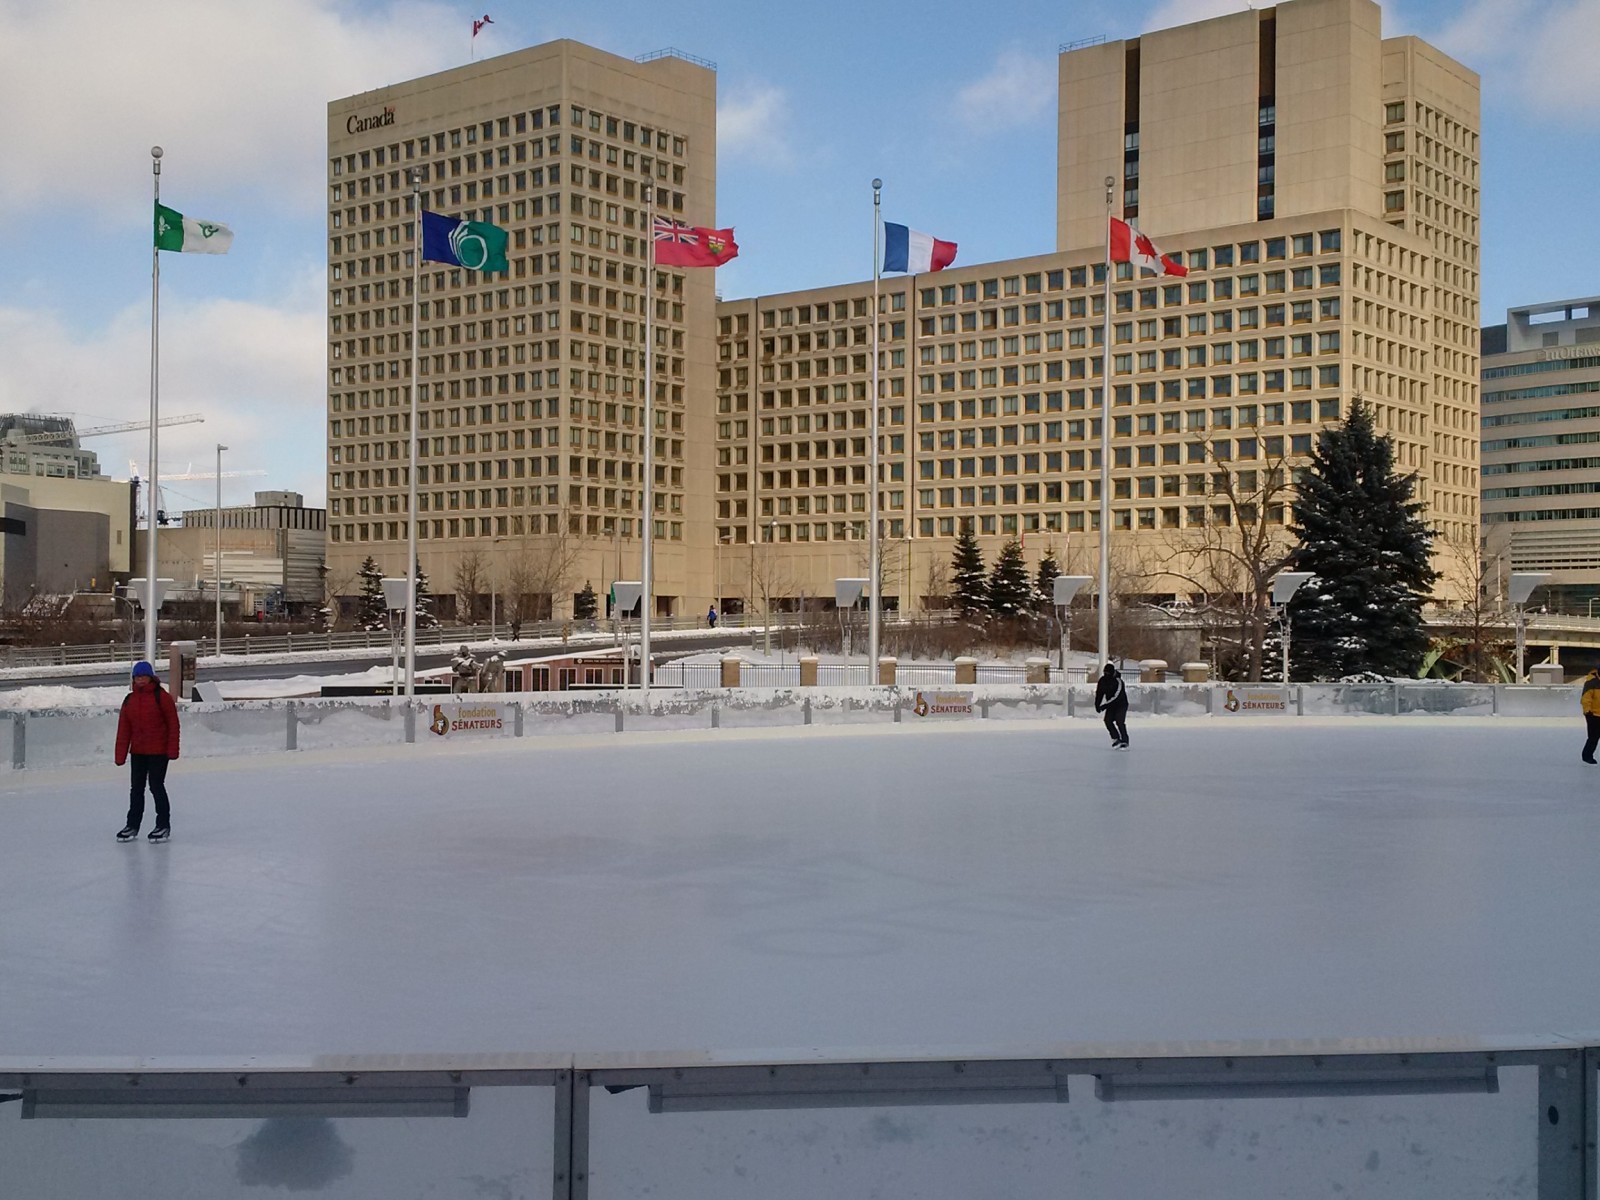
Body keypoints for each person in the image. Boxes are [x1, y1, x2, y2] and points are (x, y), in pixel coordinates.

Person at [114, 661, 181, 842]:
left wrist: (172, 749)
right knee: (136, 789)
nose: (140, 680)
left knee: (156, 786)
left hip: (158, 751)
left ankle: (163, 825)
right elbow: (124, 729)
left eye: (143, 676)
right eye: (137, 677)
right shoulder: (129, 700)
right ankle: (132, 825)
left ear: (151, 677)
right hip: (138, 752)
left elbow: (173, 724)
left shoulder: (162, 697)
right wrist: (120, 755)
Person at [1094, 662, 1129, 749]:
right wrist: (1097, 704)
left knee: (1119, 721)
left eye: (1108, 673)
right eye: (1105, 673)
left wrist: (1104, 706)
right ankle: (1116, 738)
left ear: (1112, 672)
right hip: (1111, 705)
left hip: (1121, 704)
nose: (1106, 674)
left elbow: (1116, 696)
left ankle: (1125, 740)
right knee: (1107, 720)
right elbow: (1099, 693)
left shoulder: (1119, 681)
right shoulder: (1102, 681)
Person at [1582, 667, 1599, 765]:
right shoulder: (1591, 683)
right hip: (1593, 714)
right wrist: (1587, 711)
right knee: (1593, 737)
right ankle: (1587, 757)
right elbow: (1586, 698)